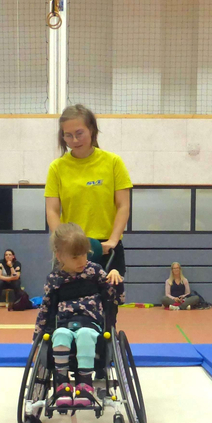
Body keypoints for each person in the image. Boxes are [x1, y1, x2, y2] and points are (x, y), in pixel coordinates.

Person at [45, 104, 130, 325]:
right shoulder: (57, 168)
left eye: (79, 133)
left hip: (106, 248)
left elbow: (122, 205)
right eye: (68, 135)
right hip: (71, 249)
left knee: (106, 309)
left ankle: (102, 353)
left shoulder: (113, 163)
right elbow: (52, 210)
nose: (74, 139)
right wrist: (60, 244)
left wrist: (113, 239)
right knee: (66, 308)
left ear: (92, 130)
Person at [34, 223, 122, 408]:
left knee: (84, 335)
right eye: (75, 257)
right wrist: (37, 338)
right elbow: (45, 309)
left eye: (84, 254)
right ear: (60, 256)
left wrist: (115, 277)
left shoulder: (95, 271)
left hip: (90, 323)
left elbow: (115, 299)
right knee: (60, 335)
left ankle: (84, 384)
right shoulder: (55, 279)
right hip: (65, 323)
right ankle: (62, 384)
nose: (82, 260)